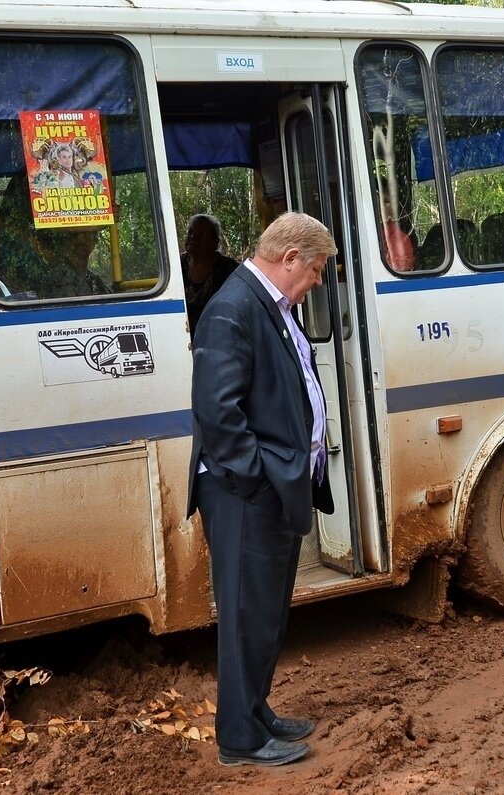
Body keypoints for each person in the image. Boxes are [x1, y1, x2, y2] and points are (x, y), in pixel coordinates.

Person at [187, 211, 337, 767]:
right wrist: (259, 477)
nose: (318, 281)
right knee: (248, 613)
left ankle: (255, 710)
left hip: (267, 487)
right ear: (290, 258)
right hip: (243, 493)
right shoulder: (232, 308)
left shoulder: (266, 304)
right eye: (316, 269)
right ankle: (239, 740)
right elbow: (218, 413)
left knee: (266, 611)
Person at [180, 214, 239, 335]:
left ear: (214, 242)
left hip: (218, 334)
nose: (192, 237)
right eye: (190, 232)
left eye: (200, 234)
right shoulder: (174, 266)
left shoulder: (229, 269)